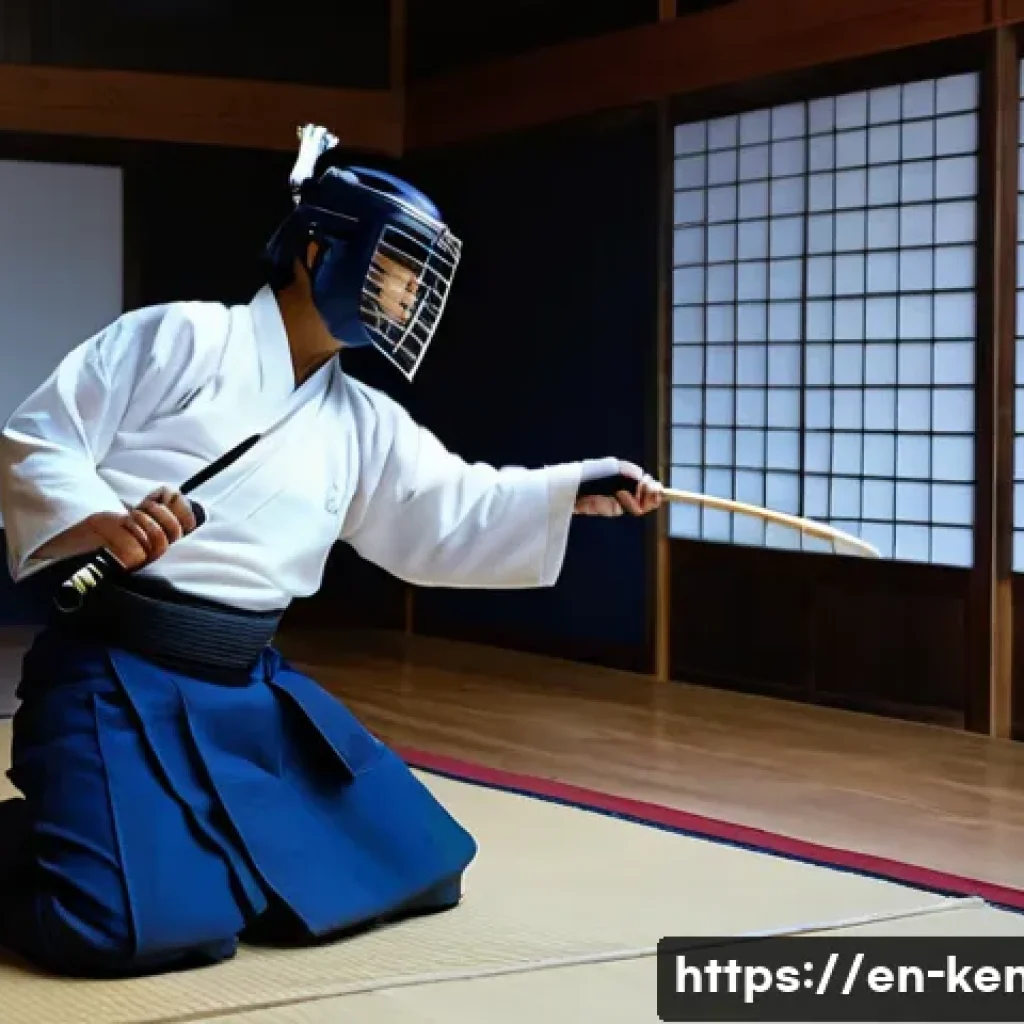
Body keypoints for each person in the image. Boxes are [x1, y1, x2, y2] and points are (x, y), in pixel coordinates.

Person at [0, 124, 662, 978]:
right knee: (134, 930)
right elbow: (38, 440)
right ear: (321, 251)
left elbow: (448, 505)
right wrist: (106, 523)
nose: (410, 293)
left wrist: (570, 488)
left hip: (246, 690)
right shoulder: (183, 340)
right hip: (118, 678)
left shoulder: (361, 422)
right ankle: (56, 831)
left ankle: (157, 845)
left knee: (417, 864)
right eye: (399, 267)